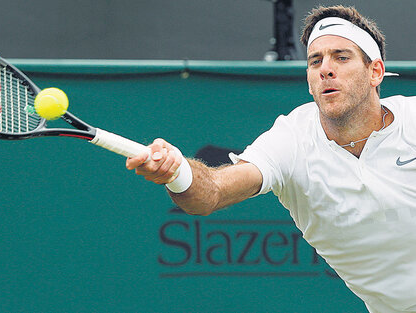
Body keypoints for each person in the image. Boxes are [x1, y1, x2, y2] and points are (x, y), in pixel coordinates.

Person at [126, 5, 416, 313]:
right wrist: (177, 171)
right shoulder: (290, 141)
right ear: (308, 80)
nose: (326, 69)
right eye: (315, 60)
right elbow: (210, 191)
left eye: (341, 57)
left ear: (376, 72)